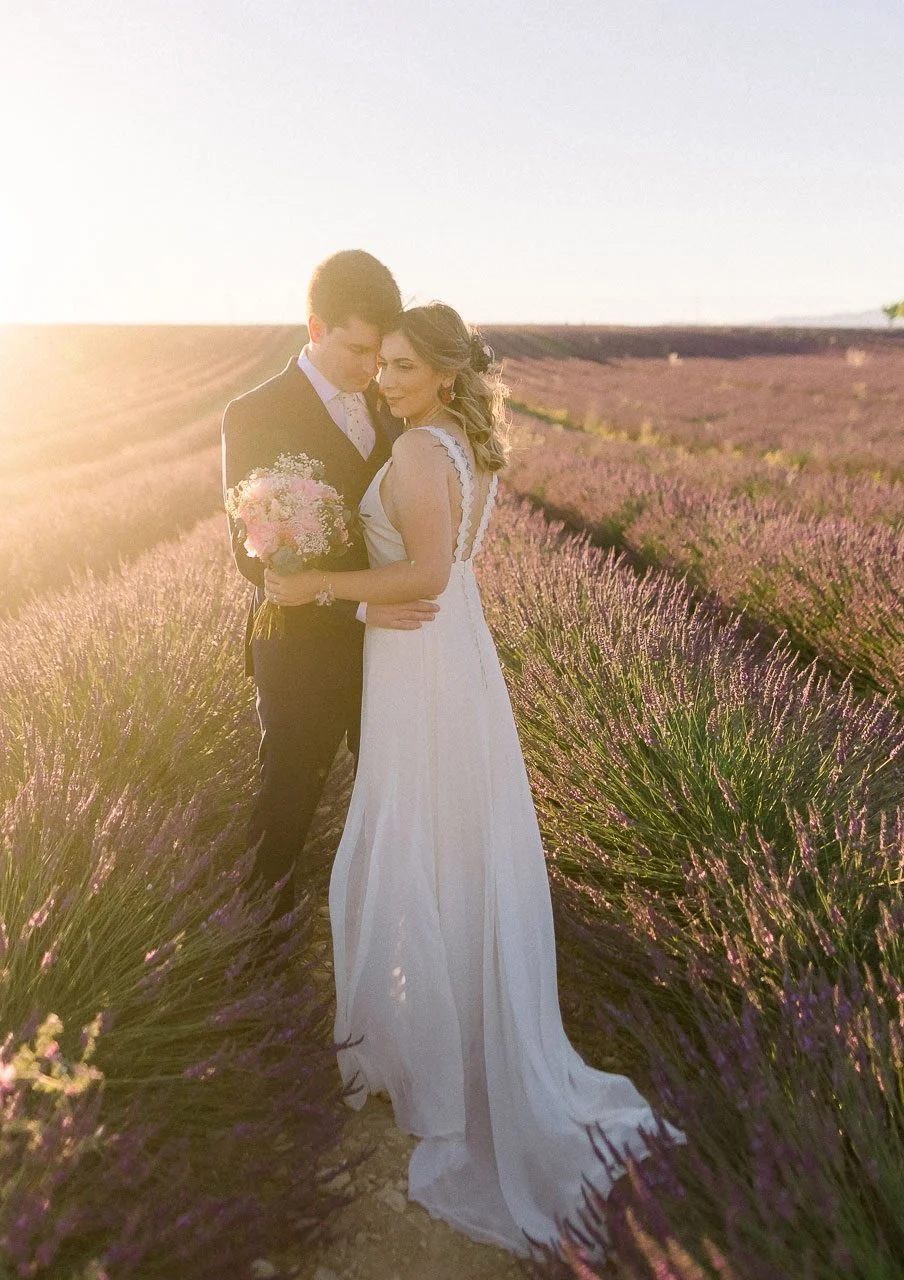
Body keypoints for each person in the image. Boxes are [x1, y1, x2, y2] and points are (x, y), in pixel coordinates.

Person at [265, 302, 683, 1256]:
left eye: (406, 367)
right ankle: (440, 1032)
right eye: (386, 364)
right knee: (448, 836)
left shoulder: (417, 450)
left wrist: (313, 587)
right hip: (453, 662)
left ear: (445, 374)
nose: (389, 379)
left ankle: (427, 1060)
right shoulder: (462, 444)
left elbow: (422, 578)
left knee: (416, 834)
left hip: (420, 658)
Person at [220, 250, 439, 925]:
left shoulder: (393, 403)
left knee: (399, 800)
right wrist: (345, 594)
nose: (370, 367)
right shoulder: (254, 411)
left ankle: (390, 939)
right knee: (287, 800)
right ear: (314, 328)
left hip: (392, 644)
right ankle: (257, 951)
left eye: (381, 352)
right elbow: (249, 554)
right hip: (303, 648)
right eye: (355, 348)